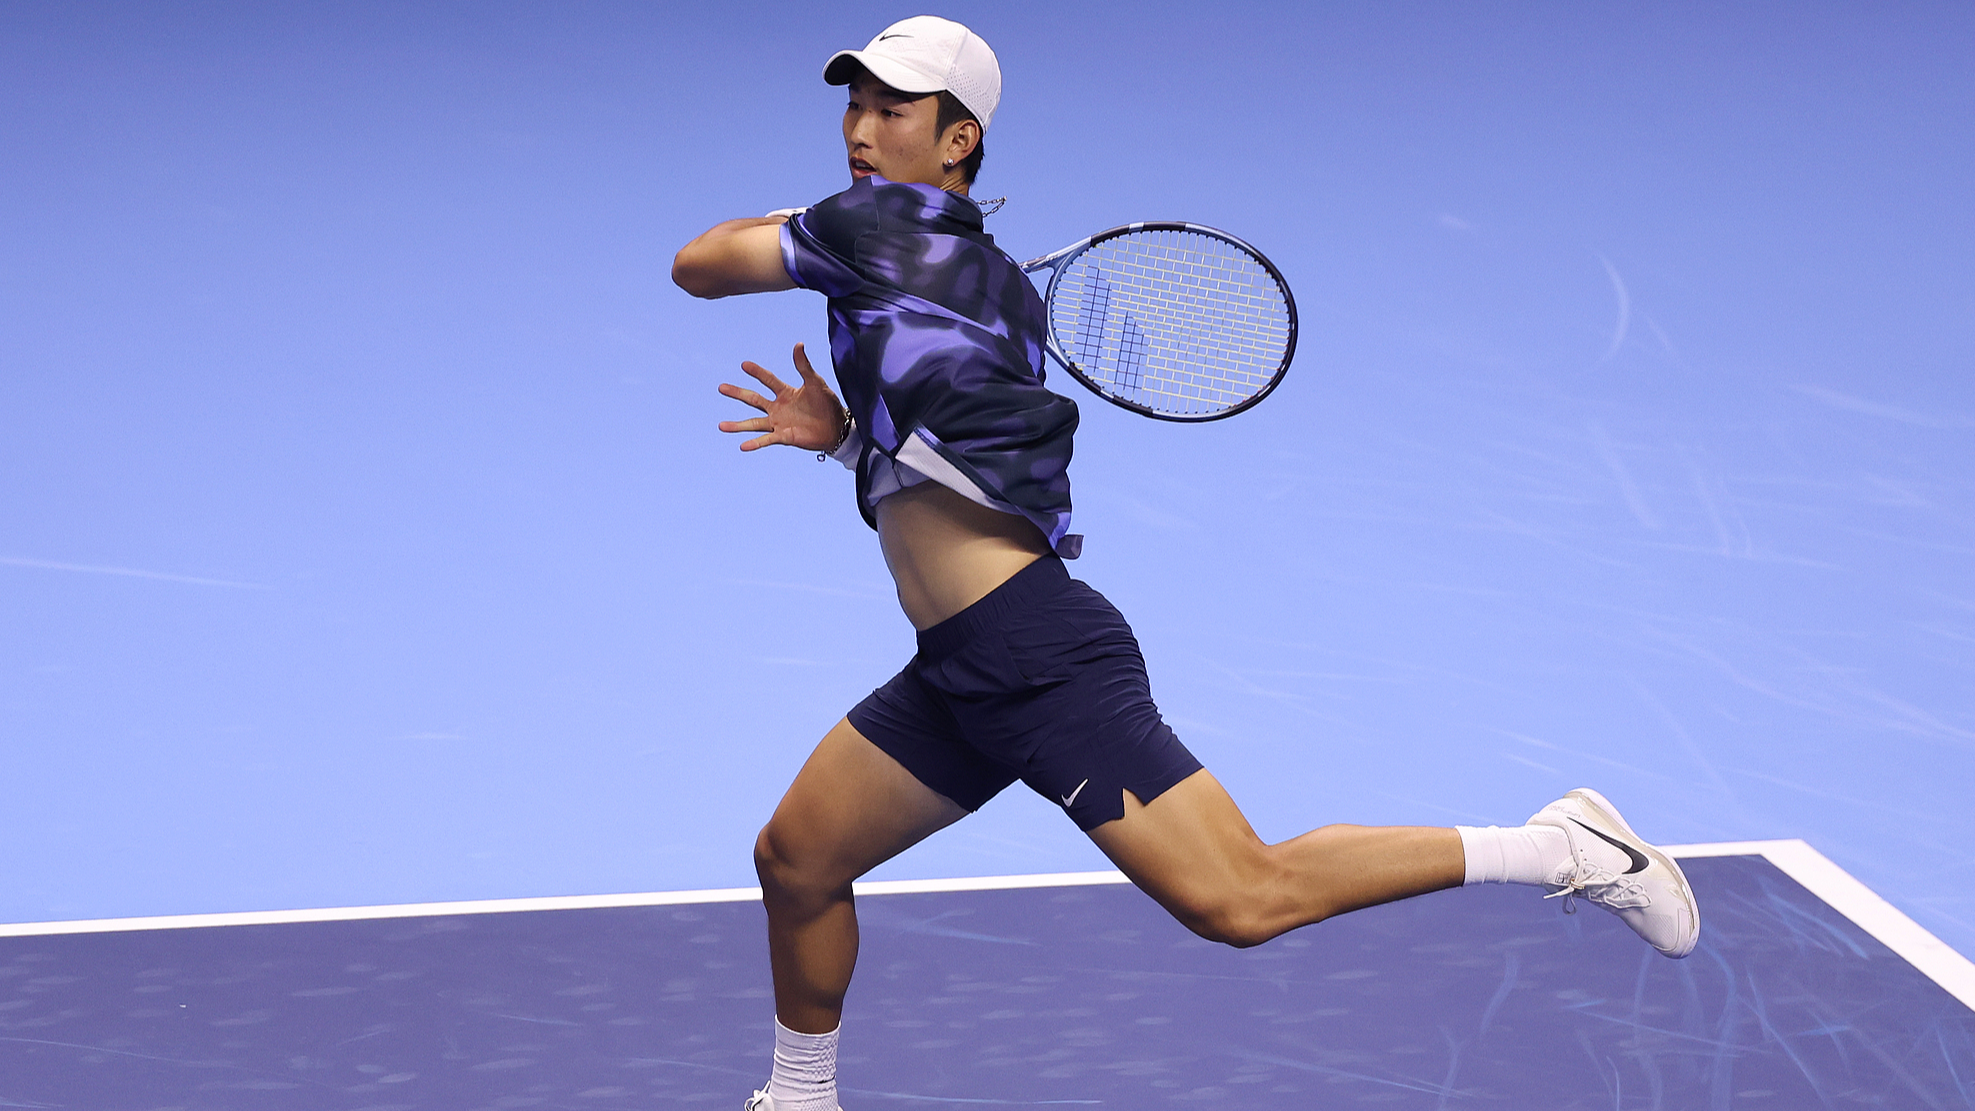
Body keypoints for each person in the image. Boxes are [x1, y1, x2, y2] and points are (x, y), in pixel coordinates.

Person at [672, 17, 1700, 1111]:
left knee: (1242, 897)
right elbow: (964, 483)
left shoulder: (867, 226)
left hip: (1034, 655)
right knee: (798, 859)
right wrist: (845, 440)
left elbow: (698, 265)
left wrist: (805, 225)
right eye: (855, 105)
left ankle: (1557, 846)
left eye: (893, 110)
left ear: (959, 138)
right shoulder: (995, 293)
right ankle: (799, 1098)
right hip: (965, 664)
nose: (861, 131)